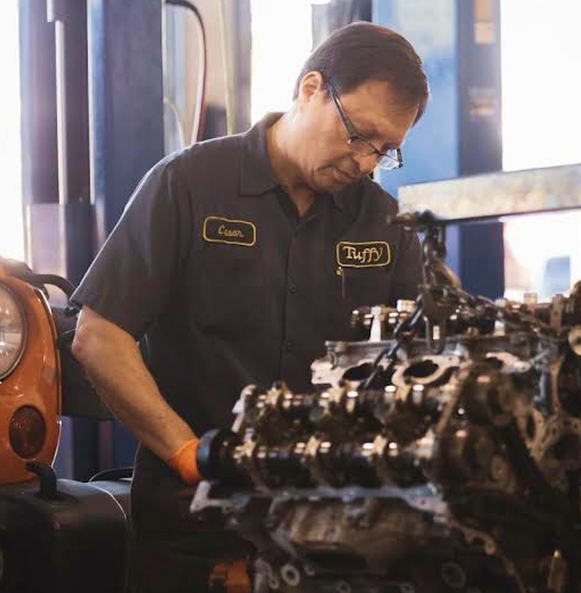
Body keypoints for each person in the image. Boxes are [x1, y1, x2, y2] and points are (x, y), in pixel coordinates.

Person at [71, 21, 429, 593]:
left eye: (385, 151)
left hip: (330, 544)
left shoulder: (385, 225)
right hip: (192, 533)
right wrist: (188, 453)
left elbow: (420, 368)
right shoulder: (187, 186)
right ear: (311, 88)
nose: (365, 162)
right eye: (359, 135)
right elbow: (99, 336)